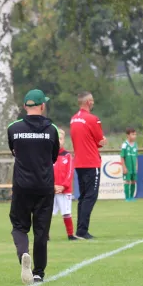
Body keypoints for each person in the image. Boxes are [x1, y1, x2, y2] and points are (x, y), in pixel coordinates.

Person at [7, 89, 60, 284]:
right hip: (44, 185)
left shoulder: (13, 128)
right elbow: (53, 157)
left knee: (19, 227)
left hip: (22, 185)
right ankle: (38, 273)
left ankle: (23, 255)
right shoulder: (52, 129)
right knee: (41, 231)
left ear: (24, 107)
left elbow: (14, 151)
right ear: (43, 106)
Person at [70, 91, 106, 239]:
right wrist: (102, 141)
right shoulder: (93, 119)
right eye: (92, 100)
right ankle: (82, 230)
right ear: (88, 102)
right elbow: (100, 141)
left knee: (83, 196)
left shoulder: (73, 119)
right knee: (90, 196)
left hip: (79, 162)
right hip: (91, 162)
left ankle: (80, 229)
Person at [52, 128, 79, 241]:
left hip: (65, 190)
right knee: (46, 214)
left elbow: (70, 173)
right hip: (50, 190)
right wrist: (52, 186)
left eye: (61, 138)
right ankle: (44, 235)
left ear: (64, 140)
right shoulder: (47, 155)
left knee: (66, 213)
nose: (58, 141)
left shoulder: (67, 155)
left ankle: (70, 234)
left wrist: (63, 186)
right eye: (56, 138)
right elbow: (45, 172)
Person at [121, 128, 138, 201]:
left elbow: (136, 157)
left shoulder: (135, 145)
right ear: (128, 135)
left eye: (135, 134)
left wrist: (137, 166)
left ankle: (132, 197)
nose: (134, 136)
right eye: (133, 134)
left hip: (134, 167)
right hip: (127, 167)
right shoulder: (124, 145)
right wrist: (124, 167)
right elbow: (122, 157)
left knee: (133, 181)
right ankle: (127, 198)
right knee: (127, 181)